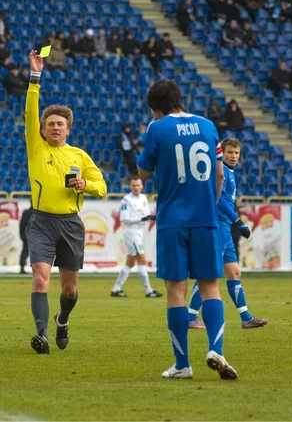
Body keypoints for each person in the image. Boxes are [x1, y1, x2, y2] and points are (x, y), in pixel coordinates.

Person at [137, 79, 238, 380]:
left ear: (155, 107)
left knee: (175, 289)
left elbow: (143, 172)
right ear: (180, 99)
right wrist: (210, 204)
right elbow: (220, 174)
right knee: (209, 287)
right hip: (206, 219)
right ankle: (216, 349)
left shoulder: (157, 128)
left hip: (173, 221)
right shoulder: (208, 126)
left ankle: (182, 364)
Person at [25, 50, 107, 354]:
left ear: (68, 130)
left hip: (71, 224)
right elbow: (30, 112)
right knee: (40, 277)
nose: (55, 127)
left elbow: (102, 186)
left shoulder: (79, 156)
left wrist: (87, 185)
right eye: (50, 124)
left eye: (60, 124)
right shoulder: (35, 146)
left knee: (70, 289)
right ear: (44, 129)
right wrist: (35, 78)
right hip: (42, 222)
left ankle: (62, 320)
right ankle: (42, 335)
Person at [187, 138, 268, 330]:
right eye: (230, 152)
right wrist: (237, 220)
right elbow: (218, 201)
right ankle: (190, 316)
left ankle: (246, 317)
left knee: (234, 271)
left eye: (236, 153)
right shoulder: (219, 172)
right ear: (222, 153)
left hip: (224, 227)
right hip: (217, 225)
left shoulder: (229, 173)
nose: (233, 156)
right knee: (207, 272)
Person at [111, 177, 162, 298]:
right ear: (130, 186)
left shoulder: (144, 198)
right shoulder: (126, 201)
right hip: (131, 233)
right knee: (142, 259)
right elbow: (124, 219)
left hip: (139, 232)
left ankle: (116, 289)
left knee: (130, 262)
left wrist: (150, 217)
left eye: (138, 185)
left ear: (142, 186)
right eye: (134, 185)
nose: (136, 187)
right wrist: (141, 219)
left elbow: (146, 214)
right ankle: (148, 290)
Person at [19, 203, 34, 274]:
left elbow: (21, 225)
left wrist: (21, 235)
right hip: (36, 236)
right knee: (38, 253)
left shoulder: (26, 212)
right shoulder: (37, 214)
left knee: (25, 252)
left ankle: (22, 267)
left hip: (26, 235)